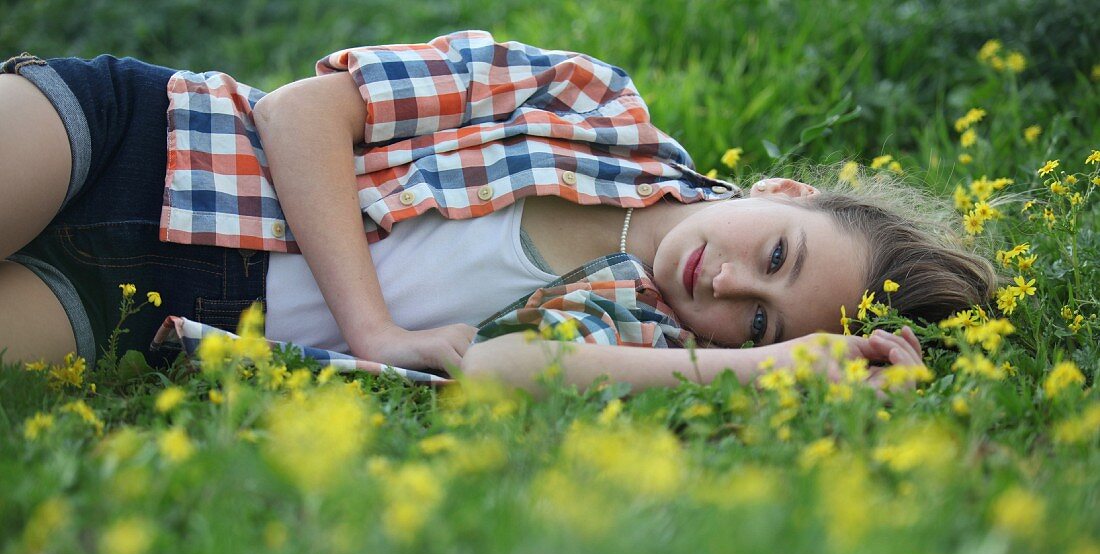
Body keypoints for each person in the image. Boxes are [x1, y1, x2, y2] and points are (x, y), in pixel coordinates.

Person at [0, 31, 997, 393]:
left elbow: (493, 371)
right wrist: (373, 329)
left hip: (134, 307)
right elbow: (301, 112)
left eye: (755, 318)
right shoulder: (591, 105)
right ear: (785, 194)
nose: (728, 285)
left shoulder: (647, 337)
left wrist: (766, 368)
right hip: (140, 140)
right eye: (775, 255)